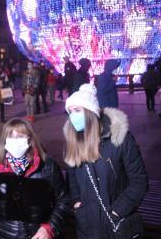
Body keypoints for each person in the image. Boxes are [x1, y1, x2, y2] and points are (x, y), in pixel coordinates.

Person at [63, 84, 148, 238]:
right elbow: (72, 178)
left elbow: (139, 181)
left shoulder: (120, 138)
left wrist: (117, 211)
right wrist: (77, 203)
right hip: (86, 223)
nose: (72, 116)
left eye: (77, 110)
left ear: (91, 112)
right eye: (69, 112)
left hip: (114, 223)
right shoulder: (73, 141)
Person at [0, 118, 69, 239]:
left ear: (29, 139)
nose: (15, 141)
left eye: (20, 136)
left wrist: (49, 228)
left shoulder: (48, 166)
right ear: (5, 141)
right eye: (11, 137)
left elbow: (63, 200)